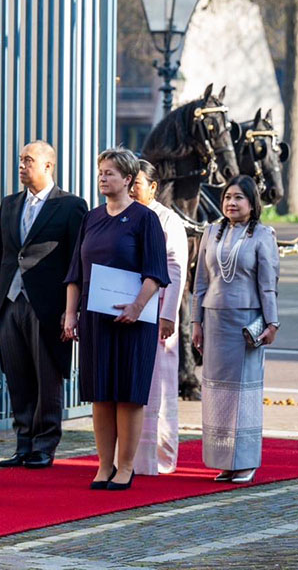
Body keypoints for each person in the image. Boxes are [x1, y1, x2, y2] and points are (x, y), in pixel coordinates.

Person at [63, 148, 169, 491]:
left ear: (128, 179)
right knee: (101, 393)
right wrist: (70, 314)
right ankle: (103, 465)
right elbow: (76, 272)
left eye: (110, 173)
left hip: (133, 321)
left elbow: (156, 272)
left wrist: (137, 306)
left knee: (128, 393)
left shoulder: (144, 219)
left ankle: (125, 467)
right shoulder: (91, 218)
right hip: (96, 318)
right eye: (101, 172)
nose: (103, 178)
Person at [0, 140, 88, 469]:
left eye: (28, 160)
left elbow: (78, 260)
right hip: (9, 302)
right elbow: (4, 254)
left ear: (48, 166)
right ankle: (23, 443)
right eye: (20, 160)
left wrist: (71, 309)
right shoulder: (9, 204)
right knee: (16, 374)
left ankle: (45, 444)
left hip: (48, 305)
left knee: (47, 375)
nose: (21, 166)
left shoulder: (71, 205)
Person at [191, 175, 280, 484]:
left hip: (246, 322)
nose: (231, 202)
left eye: (239, 197)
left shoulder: (263, 235)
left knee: (244, 394)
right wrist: (196, 323)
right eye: (228, 196)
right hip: (214, 320)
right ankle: (223, 462)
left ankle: (245, 462)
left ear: (252, 203)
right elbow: (200, 282)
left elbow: (268, 285)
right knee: (216, 393)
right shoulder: (211, 232)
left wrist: (272, 323)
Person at [130, 159, 188, 476]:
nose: (130, 189)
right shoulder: (123, 215)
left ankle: (160, 457)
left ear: (153, 186)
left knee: (159, 386)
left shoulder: (168, 220)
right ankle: (129, 456)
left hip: (158, 312)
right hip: (127, 310)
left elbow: (176, 269)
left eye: (136, 183)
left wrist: (168, 315)